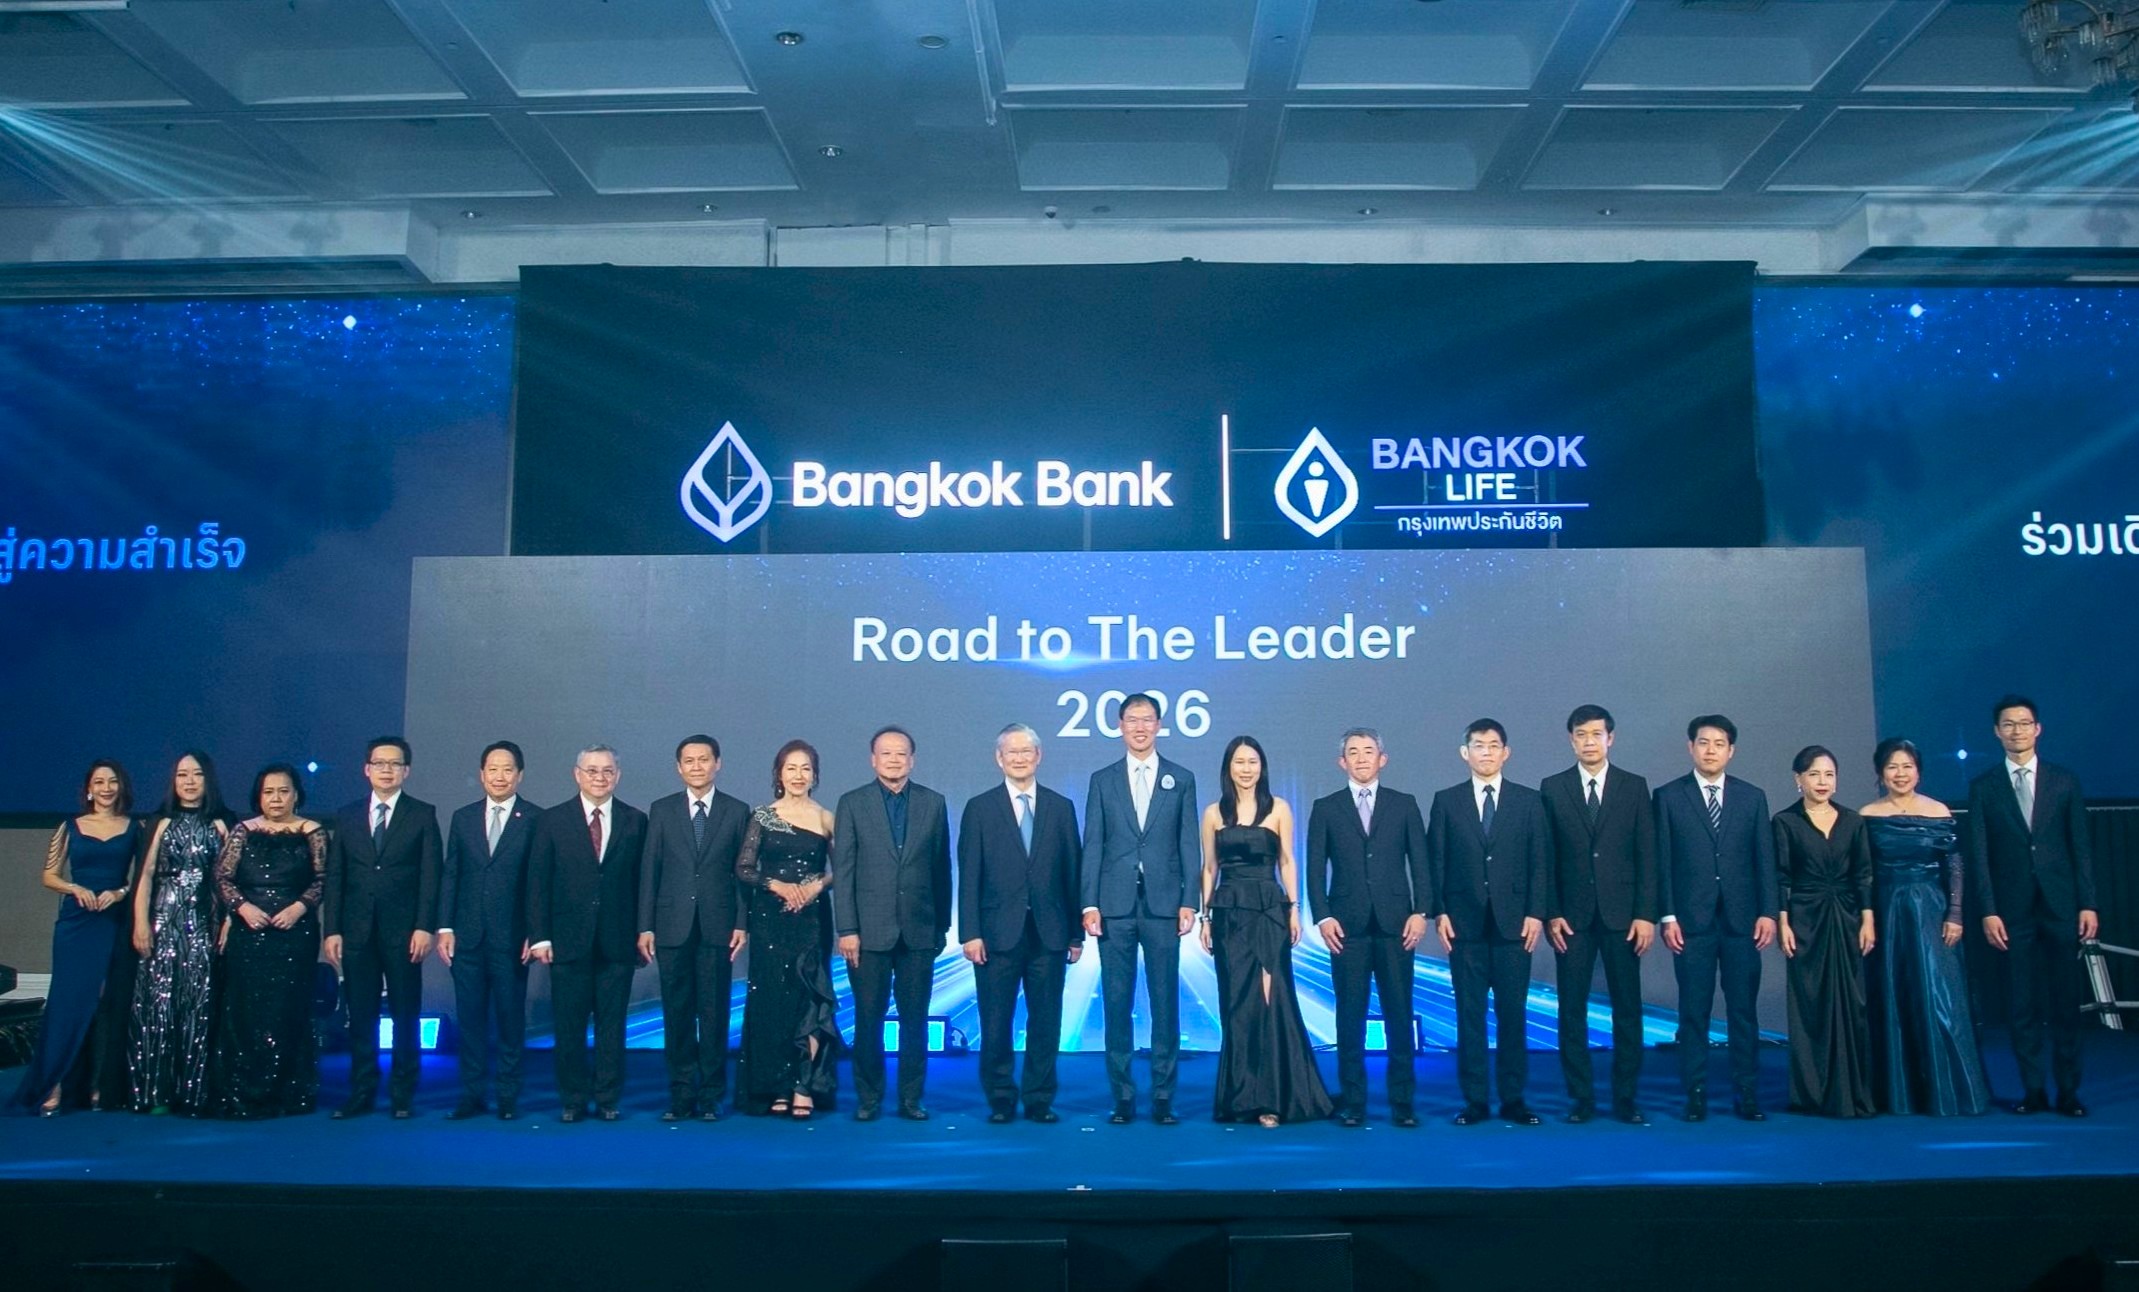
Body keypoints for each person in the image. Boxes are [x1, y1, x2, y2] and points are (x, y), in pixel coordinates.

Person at [1967, 695, 2097, 1117]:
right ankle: (2033, 1090)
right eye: (2008, 724)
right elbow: (1980, 856)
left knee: (2066, 1004)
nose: (2017, 731)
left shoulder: (2064, 781)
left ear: (2037, 729)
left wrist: (2088, 904)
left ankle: (2069, 1092)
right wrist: (1988, 910)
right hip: (2011, 911)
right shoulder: (1984, 787)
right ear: (1996, 732)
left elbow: (2081, 847)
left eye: (2024, 723)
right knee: (2021, 1006)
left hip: (2061, 906)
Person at [1199, 736, 1334, 1127]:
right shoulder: (1213, 813)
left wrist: (1294, 910)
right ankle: (1240, 1097)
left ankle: (1272, 1098)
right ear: (1228, 767)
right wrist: (1205, 918)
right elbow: (1209, 868)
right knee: (1237, 1006)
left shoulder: (1279, 808)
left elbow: (1287, 862)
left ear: (1262, 767)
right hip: (1228, 914)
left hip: (1268, 911)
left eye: (1253, 761)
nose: (1246, 769)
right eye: (1239, 762)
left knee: (1270, 1002)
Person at [1081, 692, 1200, 1126]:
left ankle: (1164, 1096)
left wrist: (1190, 901)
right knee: (1117, 1002)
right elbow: (1093, 844)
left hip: (1164, 905)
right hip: (1114, 906)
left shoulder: (1181, 778)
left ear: (1159, 725)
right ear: (1119, 726)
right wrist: (1089, 902)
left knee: (1165, 1002)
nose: (1140, 727)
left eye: (1147, 719)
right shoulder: (1103, 780)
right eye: (1132, 719)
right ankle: (1123, 1097)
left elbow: (1189, 843)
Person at [959, 724, 1084, 1124]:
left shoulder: (1061, 807)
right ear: (999, 759)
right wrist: (970, 933)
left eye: (1026, 751)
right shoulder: (980, 808)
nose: (1019, 758)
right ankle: (1000, 1099)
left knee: (1046, 1021)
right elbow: (969, 875)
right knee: (996, 1022)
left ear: (1038, 756)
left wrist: (1076, 934)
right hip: (996, 935)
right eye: (1011, 752)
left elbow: (1072, 873)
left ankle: (1039, 1099)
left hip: (1050, 933)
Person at [1427, 719, 1550, 1126]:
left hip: (1515, 926)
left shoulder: (1528, 801)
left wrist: (1535, 912)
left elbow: (1540, 861)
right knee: (1470, 1015)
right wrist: (1440, 911)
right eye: (1478, 745)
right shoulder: (1446, 801)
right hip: (1464, 926)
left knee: (1513, 1014)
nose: (1486, 752)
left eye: (1493, 745)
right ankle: (1475, 1101)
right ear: (1465, 753)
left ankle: (1514, 1099)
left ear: (1506, 753)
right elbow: (1436, 861)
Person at [1305, 727, 1429, 1128]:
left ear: (1382, 759)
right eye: (1353, 752)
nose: (1361, 758)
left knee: (1399, 1013)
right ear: (1342, 762)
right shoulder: (1326, 808)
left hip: (1397, 925)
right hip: (1347, 928)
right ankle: (1353, 1101)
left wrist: (1421, 911)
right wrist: (1323, 916)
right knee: (1349, 1016)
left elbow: (1421, 863)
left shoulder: (1404, 804)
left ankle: (1402, 1102)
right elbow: (1314, 868)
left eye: (1368, 751)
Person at [1657, 714, 1778, 1122]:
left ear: (1731, 751)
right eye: (1703, 742)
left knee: (1743, 1011)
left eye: (1719, 743)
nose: (1711, 750)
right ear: (1690, 747)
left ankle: (1747, 1092)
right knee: (1694, 1011)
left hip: (1742, 921)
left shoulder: (1752, 797)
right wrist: (1668, 915)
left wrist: (1767, 912)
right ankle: (1695, 1093)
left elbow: (1764, 859)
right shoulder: (1669, 796)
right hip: (1690, 922)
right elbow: (1663, 861)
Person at [1541, 705, 1659, 1125]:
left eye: (1596, 734)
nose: (1589, 742)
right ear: (1571, 740)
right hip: (1570, 919)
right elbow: (1546, 857)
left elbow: (1647, 855)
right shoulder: (1553, 788)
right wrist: (1551, 911)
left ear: (1611, 738)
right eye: (1581, 734)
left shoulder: (1633, 786)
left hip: (1623, 917)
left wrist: (1646, 914)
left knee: (1627, 1009)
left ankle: (1626, 1099)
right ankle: (1581, 1099)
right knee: (1571, 1010)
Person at [1861, 737, 1990, 1116]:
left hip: (1932, 911)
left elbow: (1955, 865)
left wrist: (1956, 913)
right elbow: (1863, 873)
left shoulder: (1938, 810)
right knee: (1893, 994)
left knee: (1940, 997)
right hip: (1886, 912)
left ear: (1918, 771)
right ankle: (1899, 1093)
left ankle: (1947, 1090)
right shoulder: (1867, 815)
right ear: (1880, 773)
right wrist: (1866, 917)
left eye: (1908, 766)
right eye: (1892, 767)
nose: (1900, 774)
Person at [832, 726, 952, 1121]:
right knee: (868, 1019)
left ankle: (911, 1099)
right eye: (886, 753)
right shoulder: (853, 803)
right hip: (868, 933)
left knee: (915, 1020)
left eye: (901, 753)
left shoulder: (933, 803)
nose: (894, 760)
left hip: (919, 931)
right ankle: (868, 1098)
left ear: (912, 760)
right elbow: (844, 872)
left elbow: (941, 869)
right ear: (873, 760)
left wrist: (941, 927)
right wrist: (847, 929)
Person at [7, 761, 140, 1115]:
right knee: (67, 1003)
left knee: (107, 1004)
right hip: (76, 923)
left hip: (113, 921)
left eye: (112, 781)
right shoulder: (70, 826)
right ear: (89, 789)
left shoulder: (134, 828)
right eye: (99, 782)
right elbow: (49, 875)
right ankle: (54, 1082)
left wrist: (119, 892)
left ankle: (98, 1085)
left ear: (121, 787)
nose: (106, 788)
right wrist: (75, 888)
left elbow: (144, 877)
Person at [322, 736, 443, 1120]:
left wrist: (424, 926)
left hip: (404, 933)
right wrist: (332, 929)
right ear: (366, 769)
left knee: (406, 1014)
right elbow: (336, 876)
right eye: (379, 763)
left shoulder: (422, 814)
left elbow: (430, 876)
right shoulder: (347, 816)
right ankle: (361, 1092)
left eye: (394, 764)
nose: (386, 770)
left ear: (406, 771)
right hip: (356, 931)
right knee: (361, 1015)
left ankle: (403, 1094)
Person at [528, 745, 649, 1122]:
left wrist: (643, 931)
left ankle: (608, 1097)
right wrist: (540, 936)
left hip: (618, 941)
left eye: (607, 771)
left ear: (618, 776)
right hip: (568, 940)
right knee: (569, 1026)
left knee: (612, 1026)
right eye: (592, 770)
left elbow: (642, 883)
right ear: (577, 774)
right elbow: (538, 882)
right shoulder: (552, 820)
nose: (600, 777)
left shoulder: (635, 820)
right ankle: (573, 1099)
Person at [638, 734, 750, 1122]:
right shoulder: (662, 809)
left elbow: (742, 873)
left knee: (715, 1013)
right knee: (677, 1013)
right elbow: (650, 871)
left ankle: (712, 1095)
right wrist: (645, 925)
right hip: (671, 926)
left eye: (704, 759)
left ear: (718, 763)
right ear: (678, 767)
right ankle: (681, 1094)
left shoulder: (737, 810)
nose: (697, 766)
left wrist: (741, 922)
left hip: (718, 927)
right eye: (689, 760)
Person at [208, 764, 326, 1119]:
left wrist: (298, 908)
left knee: (290, 1009)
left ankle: (288, 1092)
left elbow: (323, 880)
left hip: (295, 933)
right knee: (245, 1010)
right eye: (268, 792)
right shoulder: (242, 831)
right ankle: (243, 1091)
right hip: (249, 932)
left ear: (296, 794)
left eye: (283, 791)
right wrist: (242, 908)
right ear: (258, 796)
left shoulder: (313, 832)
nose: (276, 799)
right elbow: (222, 878)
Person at [436, 741, 543, 1121]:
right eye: (493, 769)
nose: (500, 776)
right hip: (467, 937)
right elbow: (452, 874)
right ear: (482, 774)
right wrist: (445, 926)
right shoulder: (463, 817)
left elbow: (537, 881)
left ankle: (508, 1096)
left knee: (510, 1021)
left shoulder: (535, 818)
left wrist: (535, 930)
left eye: (507, 769)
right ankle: (471, 1095)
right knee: (470, 1020)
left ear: (520, 775)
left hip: (512, 939)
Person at [737, 740, 839, 1117]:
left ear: (815, 775)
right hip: (770, 920)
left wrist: (815, 887)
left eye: (805, 768)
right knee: (772, 1001)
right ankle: (777, 1085)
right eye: (791, 768)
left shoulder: (826, 818)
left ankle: (803, 1085)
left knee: (809, 999)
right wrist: (776, 885)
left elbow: (844, 868)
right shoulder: (763, 816)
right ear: (779, 774)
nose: (798, 775)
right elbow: (744, 868)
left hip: (811, 921)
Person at [1773, 746, 1876, 1118]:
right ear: (1798, 779)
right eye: (1814, 774)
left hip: (1847, 918)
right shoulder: (1785, 822)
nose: (1822, 782)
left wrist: (1867, 919)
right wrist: (1783, 922)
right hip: (1805, 920)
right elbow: (1780, 877)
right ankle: (1813, 1095)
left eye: (1829, 774)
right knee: (1811, 1006)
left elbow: (1863, 874)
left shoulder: (1853, 821)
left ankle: (1853, 1091)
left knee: (1852, 1004)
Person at [128, 752, 230, 1116]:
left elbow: (231, 880)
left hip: (205, 923)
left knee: (199, 1004)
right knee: (159, 1005)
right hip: (163, 921)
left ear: (208, 779)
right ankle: (156, 1092)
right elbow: (145, 876)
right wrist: (140, 923)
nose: (189, 782)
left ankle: (195, 1094)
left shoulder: (222, 823)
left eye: (196, 774)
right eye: (182, 775)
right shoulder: (160, 823)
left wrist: (229, 921)